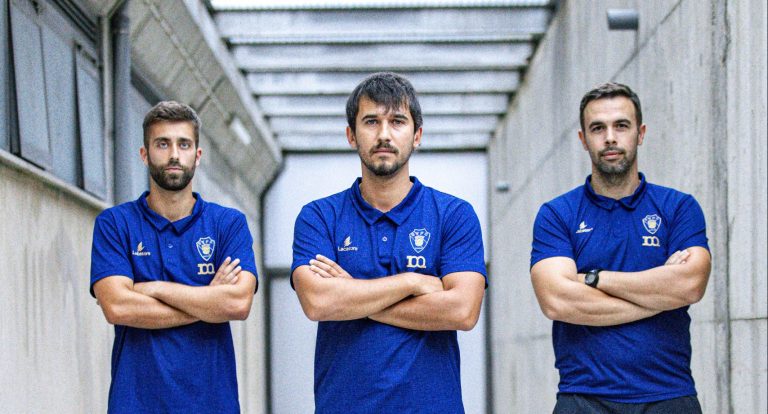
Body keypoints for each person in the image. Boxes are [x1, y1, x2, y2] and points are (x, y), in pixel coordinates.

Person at [291, 72, 487, 413]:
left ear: (417, 135)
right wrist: (411, 282)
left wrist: (352, 297)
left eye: (397, 121)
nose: (384, 134)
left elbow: (463, 310)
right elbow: (318, 302)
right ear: (351, 135)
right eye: (371, 122)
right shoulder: (319, 217)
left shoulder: (454, 214)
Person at [530, 82, 711, 413]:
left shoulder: (678, 207)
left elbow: (690, 285)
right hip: (583, 397)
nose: (610, 138)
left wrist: (594, 278)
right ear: (583, 139)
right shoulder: (558, 214)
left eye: (621, 126)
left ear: (640, 134)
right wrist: (660, 296)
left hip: (669, 395)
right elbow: (557, 301)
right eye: (598, 128)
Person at [90, 101, 258, 413]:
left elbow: (237, 304)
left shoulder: (228, 224)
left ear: (198, 155)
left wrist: (153, 288)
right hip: (137, 404)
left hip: (211, 404)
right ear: (144, 154)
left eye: (184, 144)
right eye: (162, 144)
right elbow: (117, 306)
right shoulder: (115, 224)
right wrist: (208, 302)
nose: (174, 155)